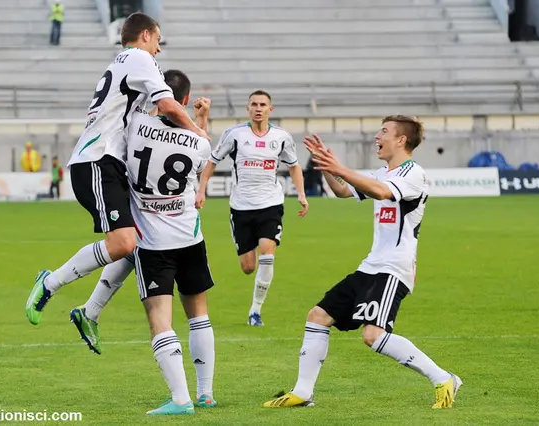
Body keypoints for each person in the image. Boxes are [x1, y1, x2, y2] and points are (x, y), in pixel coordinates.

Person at [263, 116, 462, 409]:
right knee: (318, 316)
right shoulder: (382, 172)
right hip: (371, 266)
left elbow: (382, 192)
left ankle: (444, 378)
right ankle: (303, 392)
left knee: (373, 335)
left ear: (401, 140)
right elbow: (344, 190)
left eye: (383, 131)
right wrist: (327, 168)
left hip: (394, 268)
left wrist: (340, 167)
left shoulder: (413, 174)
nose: (376, 137)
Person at [25, 13, 208, 326]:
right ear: (146, 35)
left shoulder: (126, 65)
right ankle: (50, 283)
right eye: (158, 41)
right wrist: (197, 130)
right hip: (98, 160)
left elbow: (156, 120)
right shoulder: (138, 58)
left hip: (112, 163)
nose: (159, 50)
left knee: (141, 241)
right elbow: (165, 106)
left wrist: (194, 124)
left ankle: (90, 314)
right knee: (123, 243)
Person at [129, 70, 214, 415]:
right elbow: (198, 149)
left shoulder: (135, 127)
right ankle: (205, 393)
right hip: (191, 237)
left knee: (159, 321)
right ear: (185, 102)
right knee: (199, 315)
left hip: (154, 243)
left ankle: (181, 400)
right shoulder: (200, 143)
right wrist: (200, 120)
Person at [195, 90, 309, 326]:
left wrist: (301, 194)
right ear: (248, 108)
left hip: (271, 203)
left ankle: (255, 311)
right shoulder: (235, 134)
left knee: (267, 252)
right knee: (248, 267)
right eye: (254, 104)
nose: (258, 108)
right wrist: (201, 189)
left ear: (270, 109)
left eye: (263, 104)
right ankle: (253, 281)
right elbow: (212, 161)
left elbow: (294, 166)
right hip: (241, 206)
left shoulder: (281, 137)